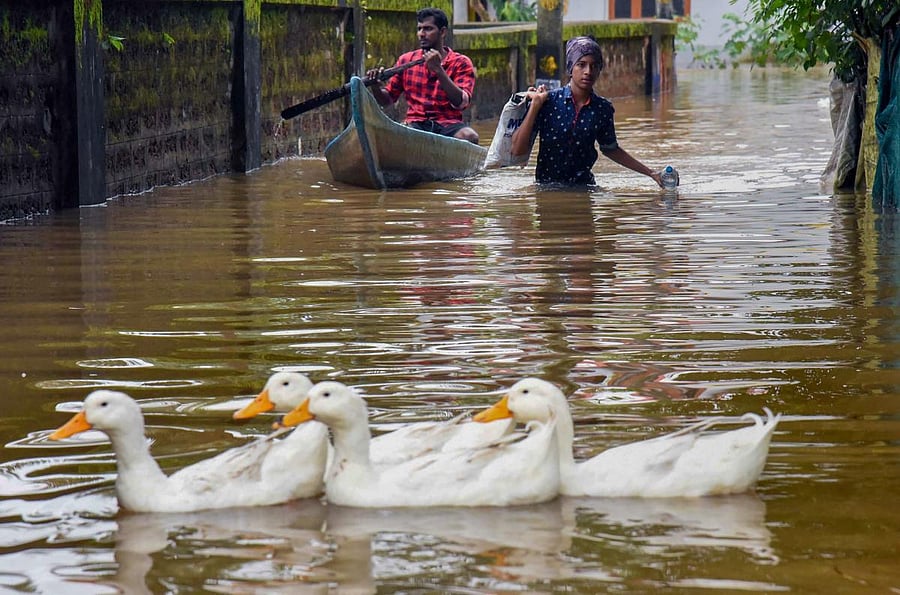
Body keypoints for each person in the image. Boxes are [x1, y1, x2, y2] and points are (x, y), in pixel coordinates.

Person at [511, 36, 664, 187]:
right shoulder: (547, 102)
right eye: (581, 65)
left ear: (599, 70)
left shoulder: (602, 109)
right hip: (547, 190)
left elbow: (611, 149)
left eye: (594, 65)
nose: (588, 71)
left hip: (584, 190)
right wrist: (534, 107)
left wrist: (650, 173)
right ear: (571, 67)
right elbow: (517, 150)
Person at [365, 7, 479, 144]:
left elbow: (461, 102)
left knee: (470, 136)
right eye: (419, 29)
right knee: (387, 138)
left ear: (442, 32)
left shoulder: (461, 62)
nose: (421, 34)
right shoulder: (406, 60)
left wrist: (439, 70)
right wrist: (375, 86)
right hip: (415, 124)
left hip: (448, 124)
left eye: (428, 29)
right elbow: (387, 100)